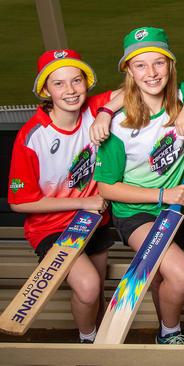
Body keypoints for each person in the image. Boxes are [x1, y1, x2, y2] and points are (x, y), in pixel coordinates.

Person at [93, 26, 184, 345]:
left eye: (159, 62)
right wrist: (161, 193)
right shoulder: (116, 124)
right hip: (137, 213)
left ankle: (164, 329)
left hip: (175, 212)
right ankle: (170, 333)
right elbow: (106, 189)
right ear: (128, 70)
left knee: (163, 273)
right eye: (140, 65)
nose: (152, 72)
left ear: (170, 65)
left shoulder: (183, 95)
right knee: (182, 273)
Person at [8, 49, 115, 343]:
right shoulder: (32, 136)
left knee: (97, 290)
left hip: (94, 222)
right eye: (59, 83)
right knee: (88, 285)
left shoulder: (94, 109)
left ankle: (103, 341)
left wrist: (106, 112)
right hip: (52, 227)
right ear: (45, 90)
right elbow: (19, 202)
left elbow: (132, 91)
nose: (70, 90)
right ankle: (87, 342)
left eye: (76, 80)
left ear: (86, 82)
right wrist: (83, 201)